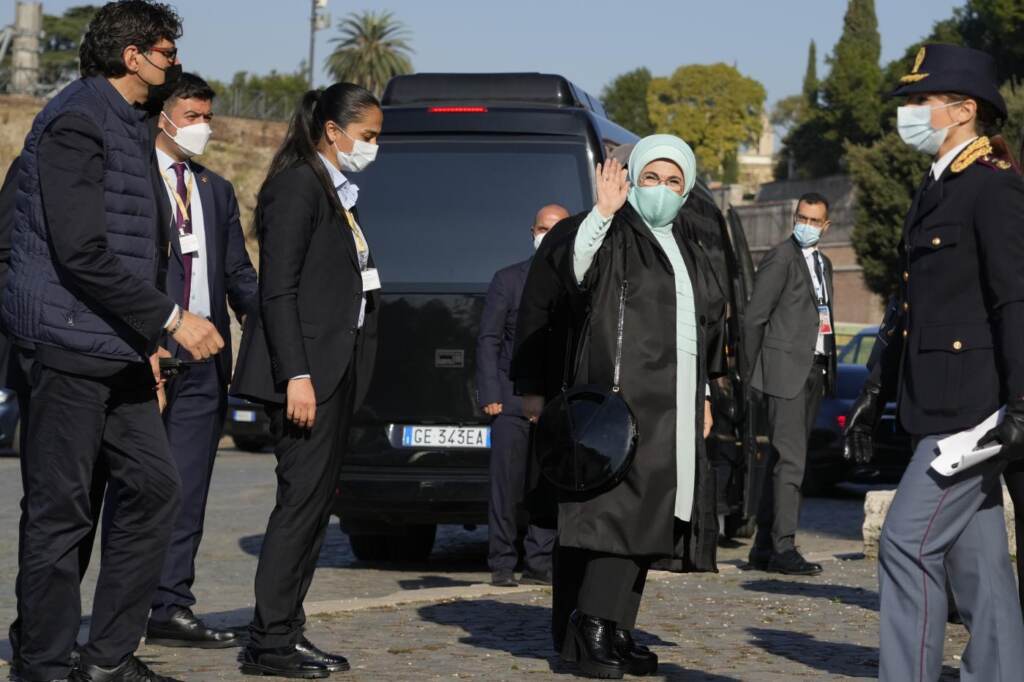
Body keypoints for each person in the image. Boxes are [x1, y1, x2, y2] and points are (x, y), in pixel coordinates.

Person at [1, 1, 225, 680]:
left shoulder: (129, 123)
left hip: (119, 349)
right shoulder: (76, 121)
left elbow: (136, 248)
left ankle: (106, 659)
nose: (175, 62)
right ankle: (43, 662)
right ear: (133, 56)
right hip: (67, 343)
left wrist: (147, 346)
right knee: (61, 511)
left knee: (155, 489)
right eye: (166, 52)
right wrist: (172, 320)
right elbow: (82, 252)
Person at [841, 44, 1024, 681]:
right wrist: (875, 390)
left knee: (904, 545)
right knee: (980, 569)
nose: (909, 113)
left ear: (964, 109)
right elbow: (910, 307)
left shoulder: (992, 188)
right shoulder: (936, 188)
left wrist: (1021, 403)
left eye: (921, 100)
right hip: (937, 404)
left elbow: (1015, 301)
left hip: (971, 412)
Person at [521, 135, 726, 679]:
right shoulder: (611, 231)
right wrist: (602, 214)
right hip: (625, 402)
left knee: (652, 516)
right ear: (632, 180)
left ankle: (615, 626)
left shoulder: (686, 245)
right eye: (651, 178)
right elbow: (574, 275)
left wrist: (705, 395)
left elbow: (702, 327)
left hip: (674, 401)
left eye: (674, 181)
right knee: (617, 515)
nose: (662, 189)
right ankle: (589, 626)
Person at [230, 82, 382, 679]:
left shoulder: (338, 194)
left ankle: (285, 631)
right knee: (298, 509)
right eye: (367, 136)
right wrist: (296, 374)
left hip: (334, 372)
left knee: (315, 510)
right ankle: (270, 642)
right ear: (332, 131)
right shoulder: (298, 186)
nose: (373, 147)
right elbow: (279, 290)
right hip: (306, 378)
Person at [103, 72, 257, 650]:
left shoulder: (214, 189)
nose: (203, 128)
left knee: (189, 491)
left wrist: (279, 325)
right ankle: (120, 612)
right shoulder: (131, 179)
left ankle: (170, 605)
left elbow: (238, 274)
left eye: (208, 118)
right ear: (163, 117)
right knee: (136, 488)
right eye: (193, 116)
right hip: (145, 355)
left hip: (204, 361)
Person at [743, 193, 836, 577]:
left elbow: (822, 315)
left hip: (813, 370)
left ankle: (764, 546)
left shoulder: (825, 264)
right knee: (793, 462)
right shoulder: (781, 257)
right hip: (784, 373)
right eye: (802, 217)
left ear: (826, 226)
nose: (806, 225)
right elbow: (754, 319)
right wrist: (751, 374)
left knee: (783, 460)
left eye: (814, 221)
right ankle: (784, 547)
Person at [477, 204, 566, 588]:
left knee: (546, 485)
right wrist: (490, 392)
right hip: (510, 402)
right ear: (533, 231)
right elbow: (489, 339)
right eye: (544, 228)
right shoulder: (508, 280)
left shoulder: (575, 283)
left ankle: (539, 562)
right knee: (506, 486)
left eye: (557, 229)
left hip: (556, 405)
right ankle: (501, 561)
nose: (549, 236)